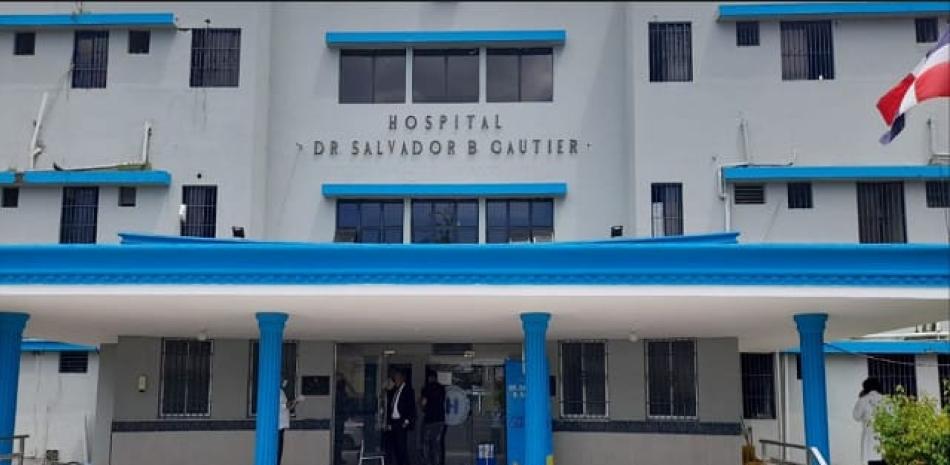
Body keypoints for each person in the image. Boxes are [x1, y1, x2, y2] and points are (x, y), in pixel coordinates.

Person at [852, 377, 886, 465]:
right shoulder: (886, 399)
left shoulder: (863, 400)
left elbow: (856, 416)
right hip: (885, 437)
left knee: (871, 457)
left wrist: (860, 398)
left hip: (869, 437)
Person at [386, 369, 416, 465]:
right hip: (394, 421)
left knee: (401, 448)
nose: (396, 380)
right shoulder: (395, 390)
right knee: (395, 447)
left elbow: (411, 406)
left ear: (402, 378)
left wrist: (406, 421)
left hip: (401, 421)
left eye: (398, 377)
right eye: (395, 378)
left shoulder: (408, 390)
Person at [420, 370, 447, 465]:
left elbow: (423, 403)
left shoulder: (426, 389)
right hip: (440, 419)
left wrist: (422, 407)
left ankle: (427, 463)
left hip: (429, 419)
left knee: (426, 444)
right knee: (437, 444)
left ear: (428, 378)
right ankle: (438, 463)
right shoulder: (442, 388)